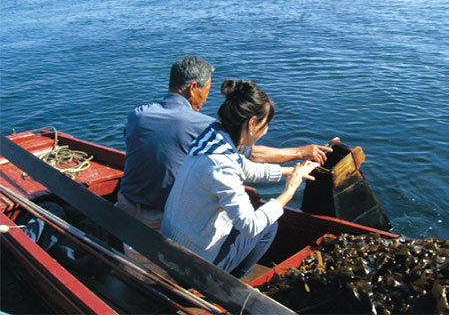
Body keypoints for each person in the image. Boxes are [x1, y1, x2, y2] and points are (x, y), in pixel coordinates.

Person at [117, 55, 332, 231]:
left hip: (122, 206)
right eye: (206, 92)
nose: (206, 99)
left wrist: (287, 171)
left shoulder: (137, 115)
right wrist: (299, 152)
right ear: (193, 88)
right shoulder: (204, 127)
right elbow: (252, 155)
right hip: (159, 220)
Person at [161, 79, 319, 278]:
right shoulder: (221, 165)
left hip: (171, 246)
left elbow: (243, 167)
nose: (267, 130)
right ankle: (233, 282)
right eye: (265, 124)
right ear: (252, 123)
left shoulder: (212, 137)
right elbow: (250, 226)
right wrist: (289, 191)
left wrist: (289, 172)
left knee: (253, 214)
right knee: (268, 226)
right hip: (191, 265)